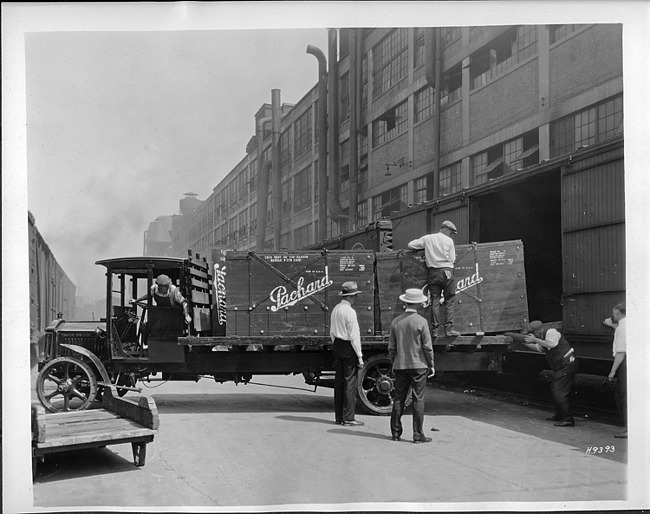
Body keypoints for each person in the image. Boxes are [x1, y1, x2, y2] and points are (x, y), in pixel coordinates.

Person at [388, 288, 435, 443]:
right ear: (419, 304)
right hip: (419, 366)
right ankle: (417, 434)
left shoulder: (396, 322)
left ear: (405, 302)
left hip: (400, 365)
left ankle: (395, 433)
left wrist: (393, 361)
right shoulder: (421, 322)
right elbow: (427, 347)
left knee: (399, 398)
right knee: (418, 399)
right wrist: (431, 364)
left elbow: (392, 347)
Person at [407, 220, 460, 337]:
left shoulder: (428, 238)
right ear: (445, 229)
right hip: (447, 272)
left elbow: (410, 245)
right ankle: (449, 329)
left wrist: (418, 250)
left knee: (434, 300)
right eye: (450, 232)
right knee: (449, 300)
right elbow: (452, 259)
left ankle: (435, 330)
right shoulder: (449, 241)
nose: (450, 235)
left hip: (433, 272)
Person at [521, 320, 578, 427]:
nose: (532, 335)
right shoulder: (542, 337)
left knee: (558, 391)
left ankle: (568, 419)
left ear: (538, 331)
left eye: (533, 333)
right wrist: (524, 344)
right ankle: (560, 415)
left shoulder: (551, 332)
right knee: (555, 389)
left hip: (567, 364)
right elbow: (539, 348)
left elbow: (552, 344)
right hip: (563, 366)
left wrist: (535, 340)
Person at [330, 281, 364, 426]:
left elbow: (332, 331)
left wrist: (336, 344)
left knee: (339, 383)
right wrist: (360, 356)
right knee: (350, 382)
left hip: (337, 344)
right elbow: (354, 335)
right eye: (355, 296)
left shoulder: (336, 309)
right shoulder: (350, 311)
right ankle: (349, 417)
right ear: (351, 297)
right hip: (348, 346)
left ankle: (339, 417)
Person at [603, 302, 627, 438]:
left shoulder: (621, 329)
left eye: (614, 313)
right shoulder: (627, 324)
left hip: (625, 363)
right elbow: (620, 328)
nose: (612, 315)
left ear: (618, 313)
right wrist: (611, 325)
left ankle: (629, 429)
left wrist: (612, 372)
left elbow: (620, 353)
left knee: (622, 397)